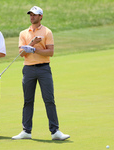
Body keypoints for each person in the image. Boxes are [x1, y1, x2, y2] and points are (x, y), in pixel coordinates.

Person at [12, 6, 70, 140]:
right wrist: (32, 43)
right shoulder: (23, 33)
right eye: (31, 15)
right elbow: (21, 54)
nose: (32, 17)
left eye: (35, 15)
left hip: (44, 68)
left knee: (49, 100)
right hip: (28, 69)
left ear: (41, 16)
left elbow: (50, 52)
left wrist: (34, 50)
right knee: (28, 100)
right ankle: (26, 131)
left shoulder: (47, 32)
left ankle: (55, 131)